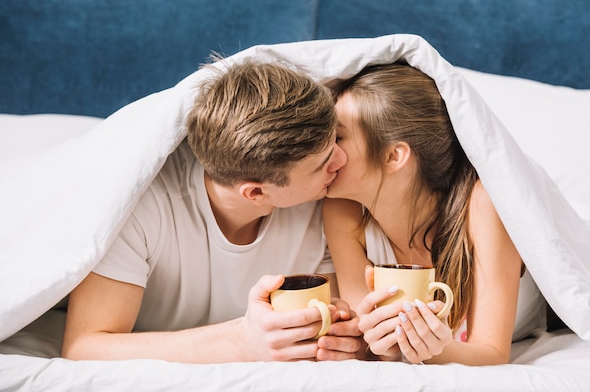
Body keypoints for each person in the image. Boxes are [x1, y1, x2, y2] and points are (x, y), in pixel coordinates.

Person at [61, 61, 363, 363]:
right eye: (322, 163)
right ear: (255, 192)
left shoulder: (322, 203)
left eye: (335, 140)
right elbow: (84, 347)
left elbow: (329, 320)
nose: (341, 158)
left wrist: (344, 338)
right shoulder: (142, 210)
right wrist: (241, 341)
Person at [323, 62, 540, 365]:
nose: (324, 150)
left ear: (393, 156)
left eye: (339, 138)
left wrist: (437, 350)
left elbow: (492, 354)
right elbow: (374, 340)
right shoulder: (341, 212)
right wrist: (377, 343)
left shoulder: (481, 205)